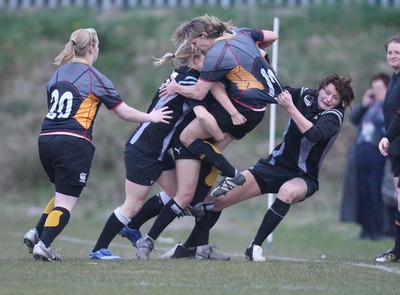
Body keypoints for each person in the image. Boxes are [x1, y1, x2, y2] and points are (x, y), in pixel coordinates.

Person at [135, 15, 284, 260]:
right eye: (194, 48)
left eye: (196, 43)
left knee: (200, 193)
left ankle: (199, 247)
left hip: (210, 138)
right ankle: (146, 237)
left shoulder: (215, 60)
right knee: (186, 195)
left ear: (203, 38)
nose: (197, 48)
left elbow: (210, 99)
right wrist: (256, 55)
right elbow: (206, 118)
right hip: (205, 137)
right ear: (194, 60)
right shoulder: (197, 70)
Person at [22, 28, 172, 262]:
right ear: (92, 48)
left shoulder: (59, 73)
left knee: (62, 193)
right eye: (98, 44)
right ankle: (44, 244)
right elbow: (124, 113)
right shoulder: (95, 78)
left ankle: (37, 232)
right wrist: (151, 116)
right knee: (66, 202)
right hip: (73, 142)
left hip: (46, 139)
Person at [89, 41, 233, 260]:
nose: (210, 63)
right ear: (194, 60)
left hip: (159, 150)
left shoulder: (182, 76)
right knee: (133, 203)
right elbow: (202, 109)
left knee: (180, 195)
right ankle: (98, 249)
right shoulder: (188, 81)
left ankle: (132, 228)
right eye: (206, 58)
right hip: (144, 149)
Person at [210, 74, 354, 261]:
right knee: (219, 200)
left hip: (303, 176)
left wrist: (290, 107)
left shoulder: (334, 116)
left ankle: (254, 246)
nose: (329, 99)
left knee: (287, 192)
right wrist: (239, 90)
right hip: (273, 165)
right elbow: (272, 91)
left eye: (335, 98)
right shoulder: (304, 95)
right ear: (320, 88)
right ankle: (194, 246)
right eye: (327, 93)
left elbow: (314, 134)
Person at [352, 73, 390, 240]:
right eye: (373, 88)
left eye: (379, 88)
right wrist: (363, 105)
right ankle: (366, 228)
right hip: (362, 153)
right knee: (364, 192)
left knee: (376, 192)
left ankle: (379, 229)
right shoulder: (370, 106)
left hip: (378, 153)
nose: (375, 91)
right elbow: (354, 119)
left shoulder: (388, 106)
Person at [375, 34, 400, 263]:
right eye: (390, 52)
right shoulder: (394, 78)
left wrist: (387, 136)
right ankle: (397, 249)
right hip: (396, 149)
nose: (392, 56)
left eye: (397, 52)